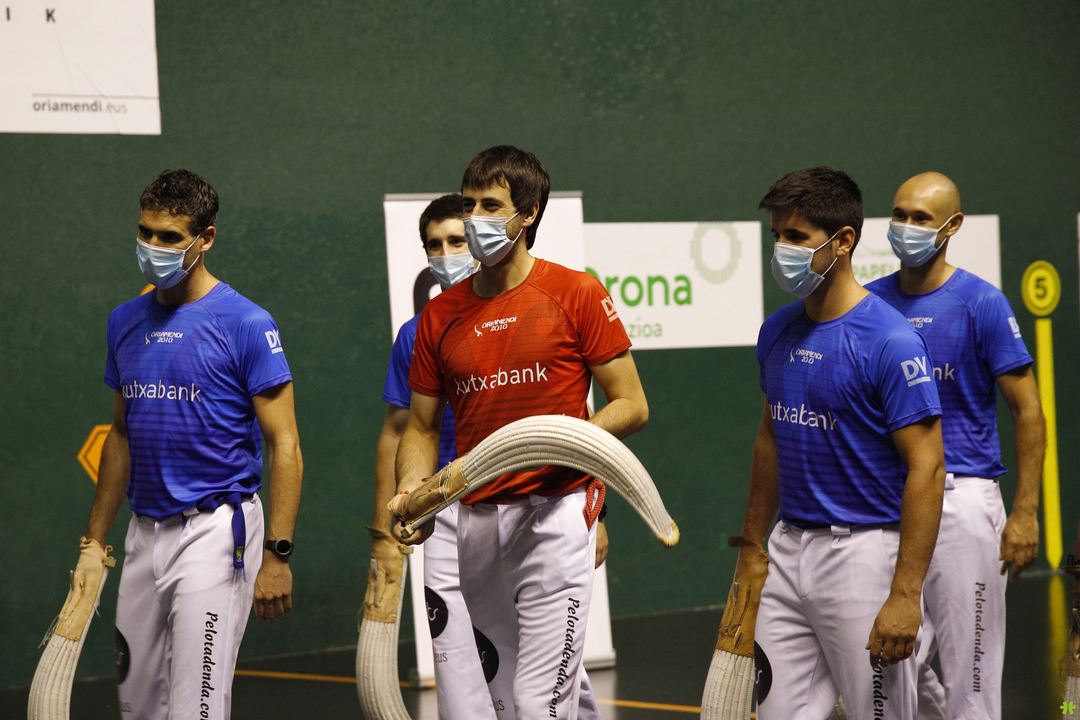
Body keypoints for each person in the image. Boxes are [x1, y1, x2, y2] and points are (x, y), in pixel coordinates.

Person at [390, 146, 647, 720]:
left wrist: (562, 440)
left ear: (527, 213)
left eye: (491, 206)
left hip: (557, 513)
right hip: (476, 521)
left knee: (538, 702)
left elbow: (632, 404)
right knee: (505, 701)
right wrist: (413, 492)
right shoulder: (439, 317)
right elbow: (421, 428)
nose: (475, 218)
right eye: (470, 205)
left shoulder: (576, 292)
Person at [78, 169, 303, 719]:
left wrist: (277, 554)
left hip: (215, 533)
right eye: (145, 232)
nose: (153, 246)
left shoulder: (246, 323)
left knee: (194, 709)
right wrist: (93, 543)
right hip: (142, 535)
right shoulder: (124, 321)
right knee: (137, 706)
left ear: (205, 239)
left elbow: (285, 443)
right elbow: (121, 436)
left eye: (169, 237)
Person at [741, 166, 945, 720]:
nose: (781, 250)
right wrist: (751, 551)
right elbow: (770, 439)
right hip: (786, 552)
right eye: (776, 236)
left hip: (863, 557)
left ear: (843, 240)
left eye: (796, 236)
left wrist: (905, 593)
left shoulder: (890, 340)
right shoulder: (776, 330)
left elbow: (927, 468)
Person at [867, 172, 1045, 720]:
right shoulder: (870, 303)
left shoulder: (981, 302)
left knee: (973, 670)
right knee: (886, 660)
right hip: (887, 502)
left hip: (963, 500)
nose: (906, 226)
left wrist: (1024, 512)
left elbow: (1028, 411)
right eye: (899, 214)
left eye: (921, 218)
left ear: (952, 225)